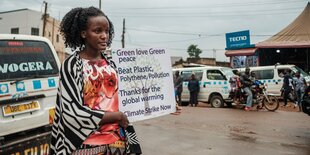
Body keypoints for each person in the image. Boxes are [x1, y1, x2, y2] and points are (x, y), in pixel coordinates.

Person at [50, 7, 141, 154]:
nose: (104, 36)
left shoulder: (112, 63)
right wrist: (117, 116)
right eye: (97, 31)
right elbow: (71, 111)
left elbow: (132, 94)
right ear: (83, 33)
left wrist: (166, 103)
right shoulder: (72, 65)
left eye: (106, 31)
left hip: (117, 142)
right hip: (85, 144)